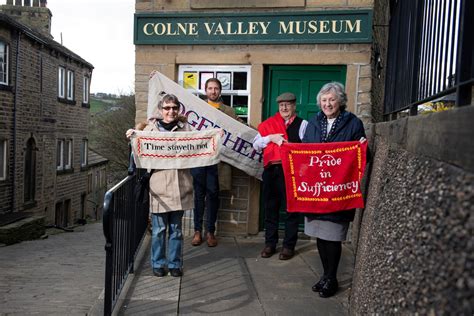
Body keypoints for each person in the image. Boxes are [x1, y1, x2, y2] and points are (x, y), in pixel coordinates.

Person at [302, 82, 366, 298]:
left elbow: (360, 157)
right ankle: (326, 275)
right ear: (319, 102)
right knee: (320, 236)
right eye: (324, 100)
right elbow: (304, 151)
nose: (327, 104)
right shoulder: (313, 122)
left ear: (340, 101)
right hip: (316, 191)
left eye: (332, 99)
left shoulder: (353, 123)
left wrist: (362, 148)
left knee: (333, 236)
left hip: (338, 190)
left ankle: (332, 278)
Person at [126, 94, 194, 278]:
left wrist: (215, 137)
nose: (171, 111)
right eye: (167, 108)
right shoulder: (149, 130)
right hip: (159, 187)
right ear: (160, 110)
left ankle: (174, 264)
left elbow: (201, 144)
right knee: (159, 230)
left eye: (174, 107)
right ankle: (158, 263)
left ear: (178, 109)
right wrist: (133, 139)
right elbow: (138, 154)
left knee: (176, 230)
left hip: (180, 186)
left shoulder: (187, 129)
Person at [253, 92, 308, 260]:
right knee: (271, 209)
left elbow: (308, 147)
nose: (284, 108)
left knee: (291, 209)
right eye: (281, 105)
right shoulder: (268, 125)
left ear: (294, 106)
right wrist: (270, 138)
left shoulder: (303, 124)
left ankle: (288, 246)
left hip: (291, 171)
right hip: (272, 171)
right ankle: (270, 244)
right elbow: (256, 145)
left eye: (288, 104)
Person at [191, 78, 241, 247]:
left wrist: (261, 135)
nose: (213, 91)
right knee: (198, 197)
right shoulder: (197, 108)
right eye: (210, 88)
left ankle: (210, 231)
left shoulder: (229, 111)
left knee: (213, 196)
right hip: (199, 160)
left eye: (216, 88)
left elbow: (240, 130)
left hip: (217, 162)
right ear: (205, 91)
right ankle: (197, 231)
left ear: (220, 91)